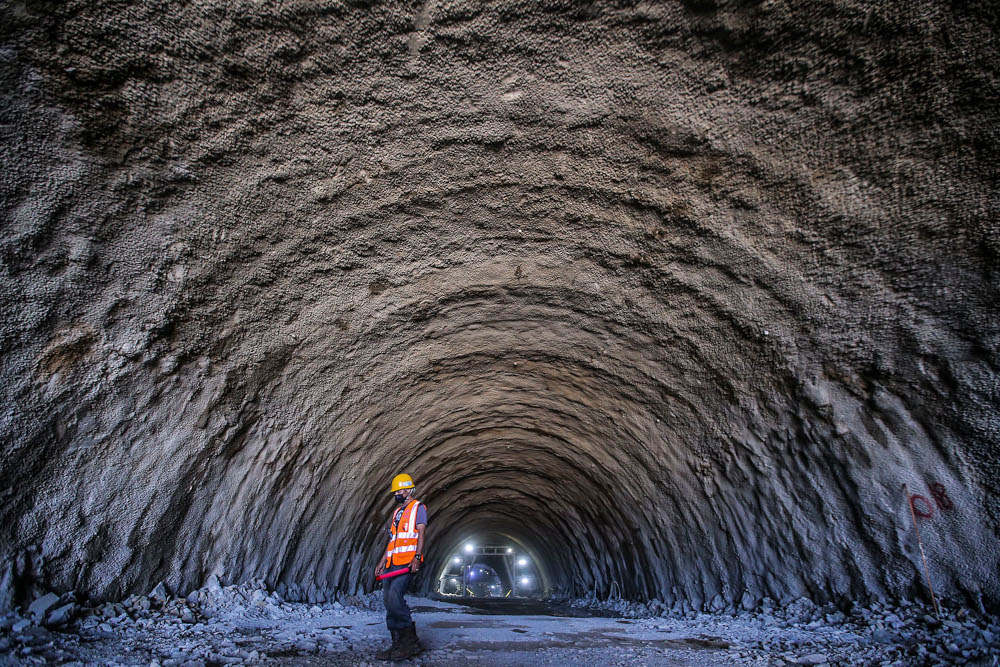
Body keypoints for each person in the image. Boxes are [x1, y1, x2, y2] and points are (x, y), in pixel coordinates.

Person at [374, 473, 427, 661]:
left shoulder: (418, 508)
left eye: (399, 491)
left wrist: (417, 557)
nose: (396, 494)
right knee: (388, 600)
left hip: (407, 562)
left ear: (409, 490)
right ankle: (396, 643)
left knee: (395, 596)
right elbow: (393, 540)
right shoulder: (397, 512)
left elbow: (421, 534)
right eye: (395, 492)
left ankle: (410, 642)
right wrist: (382, 561)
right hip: (392, 563)